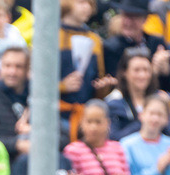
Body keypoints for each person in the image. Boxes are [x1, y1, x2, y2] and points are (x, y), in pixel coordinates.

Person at [59, 0, 115, 141]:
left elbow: (98, 77)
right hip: (58, 115)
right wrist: (62, 86)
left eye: (89, 3)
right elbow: (36, 81)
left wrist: (103, 87)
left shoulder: (94, 40)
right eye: (81, 2)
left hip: (86, 117)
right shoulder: (53, 36)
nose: (87, 8)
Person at [103, 0, 170, 92]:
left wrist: (166, 70)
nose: (128, 22)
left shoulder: (157, 42)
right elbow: (120, 86)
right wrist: (153, 71)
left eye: (133, 17)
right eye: (125, 16)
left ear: (145, 19)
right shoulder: (112, 47)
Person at [0, 45, 30, 161]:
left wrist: (37, 131)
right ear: (0, 68)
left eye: (19, 67)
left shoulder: (38, 97)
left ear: (27, 70)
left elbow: (62, 136)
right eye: (7, 66)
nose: (12, 72)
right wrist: (17, 144)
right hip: (2, 161)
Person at [106, 53, 162, 141]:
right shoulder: (114, 102)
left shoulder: (160, 100)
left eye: (146, 70)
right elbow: (113, 138)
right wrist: (142, 122)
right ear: (125, 72)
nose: (142, 75)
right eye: (136, 70)